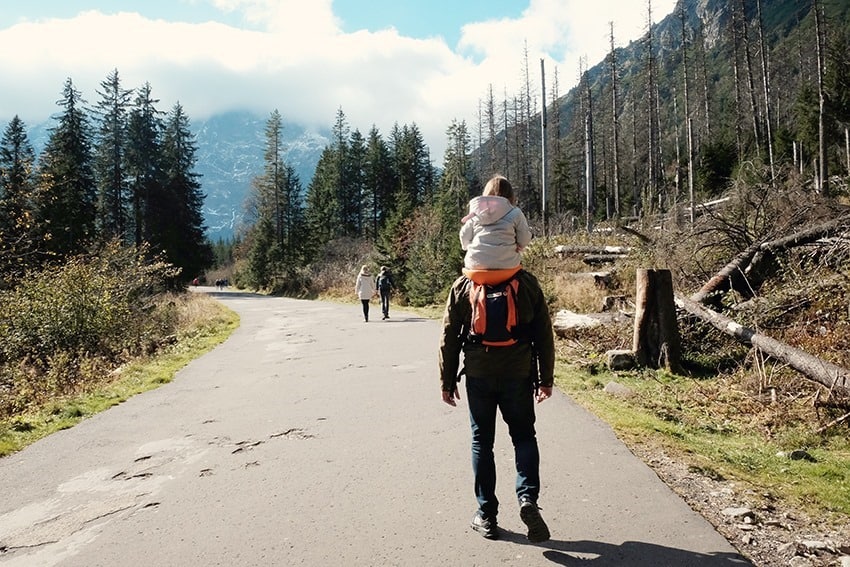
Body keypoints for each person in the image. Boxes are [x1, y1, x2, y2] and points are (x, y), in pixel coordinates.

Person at [438, 266, 555, 543]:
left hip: (479, 374)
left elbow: (449, 335)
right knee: (524, 437)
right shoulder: (526, 282)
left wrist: (447, 380)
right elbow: (543, 333)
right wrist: (545, 379)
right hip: (518, 372)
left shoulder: (464, 285)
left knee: (482, 442)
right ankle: (527, 498)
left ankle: (486, 515)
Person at [460, 175, 532, 285]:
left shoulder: (476, 214)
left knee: (457, 289)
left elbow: (464, 236)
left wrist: (468, 246)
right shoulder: (515, 213)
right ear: (510, 195)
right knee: (531, 286)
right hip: (508, 267)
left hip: (476, 268)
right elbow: (524, 238)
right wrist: (520, 246)